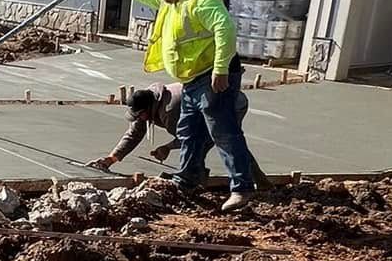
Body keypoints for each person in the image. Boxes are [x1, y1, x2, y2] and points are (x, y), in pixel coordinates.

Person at [103, 0, 258, 212]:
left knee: (223, 132)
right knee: (189, 131)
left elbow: (226, 29)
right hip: (191, 80)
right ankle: (186, 179)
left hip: (213, 78)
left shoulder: (203, 1)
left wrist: (220, 70)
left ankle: (241, 188)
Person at [91, 78, 263, 186]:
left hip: (230, 103)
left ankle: (194, 182)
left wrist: (167, 147)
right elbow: (134, 133)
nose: (140, 119)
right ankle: (195, 179)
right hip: (208, 104)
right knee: (211, 144)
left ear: (149, 108)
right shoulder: (148, 102)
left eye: (141, 115)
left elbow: (190, 137)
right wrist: (111, 158)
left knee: (222, 142)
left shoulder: (170, 109)